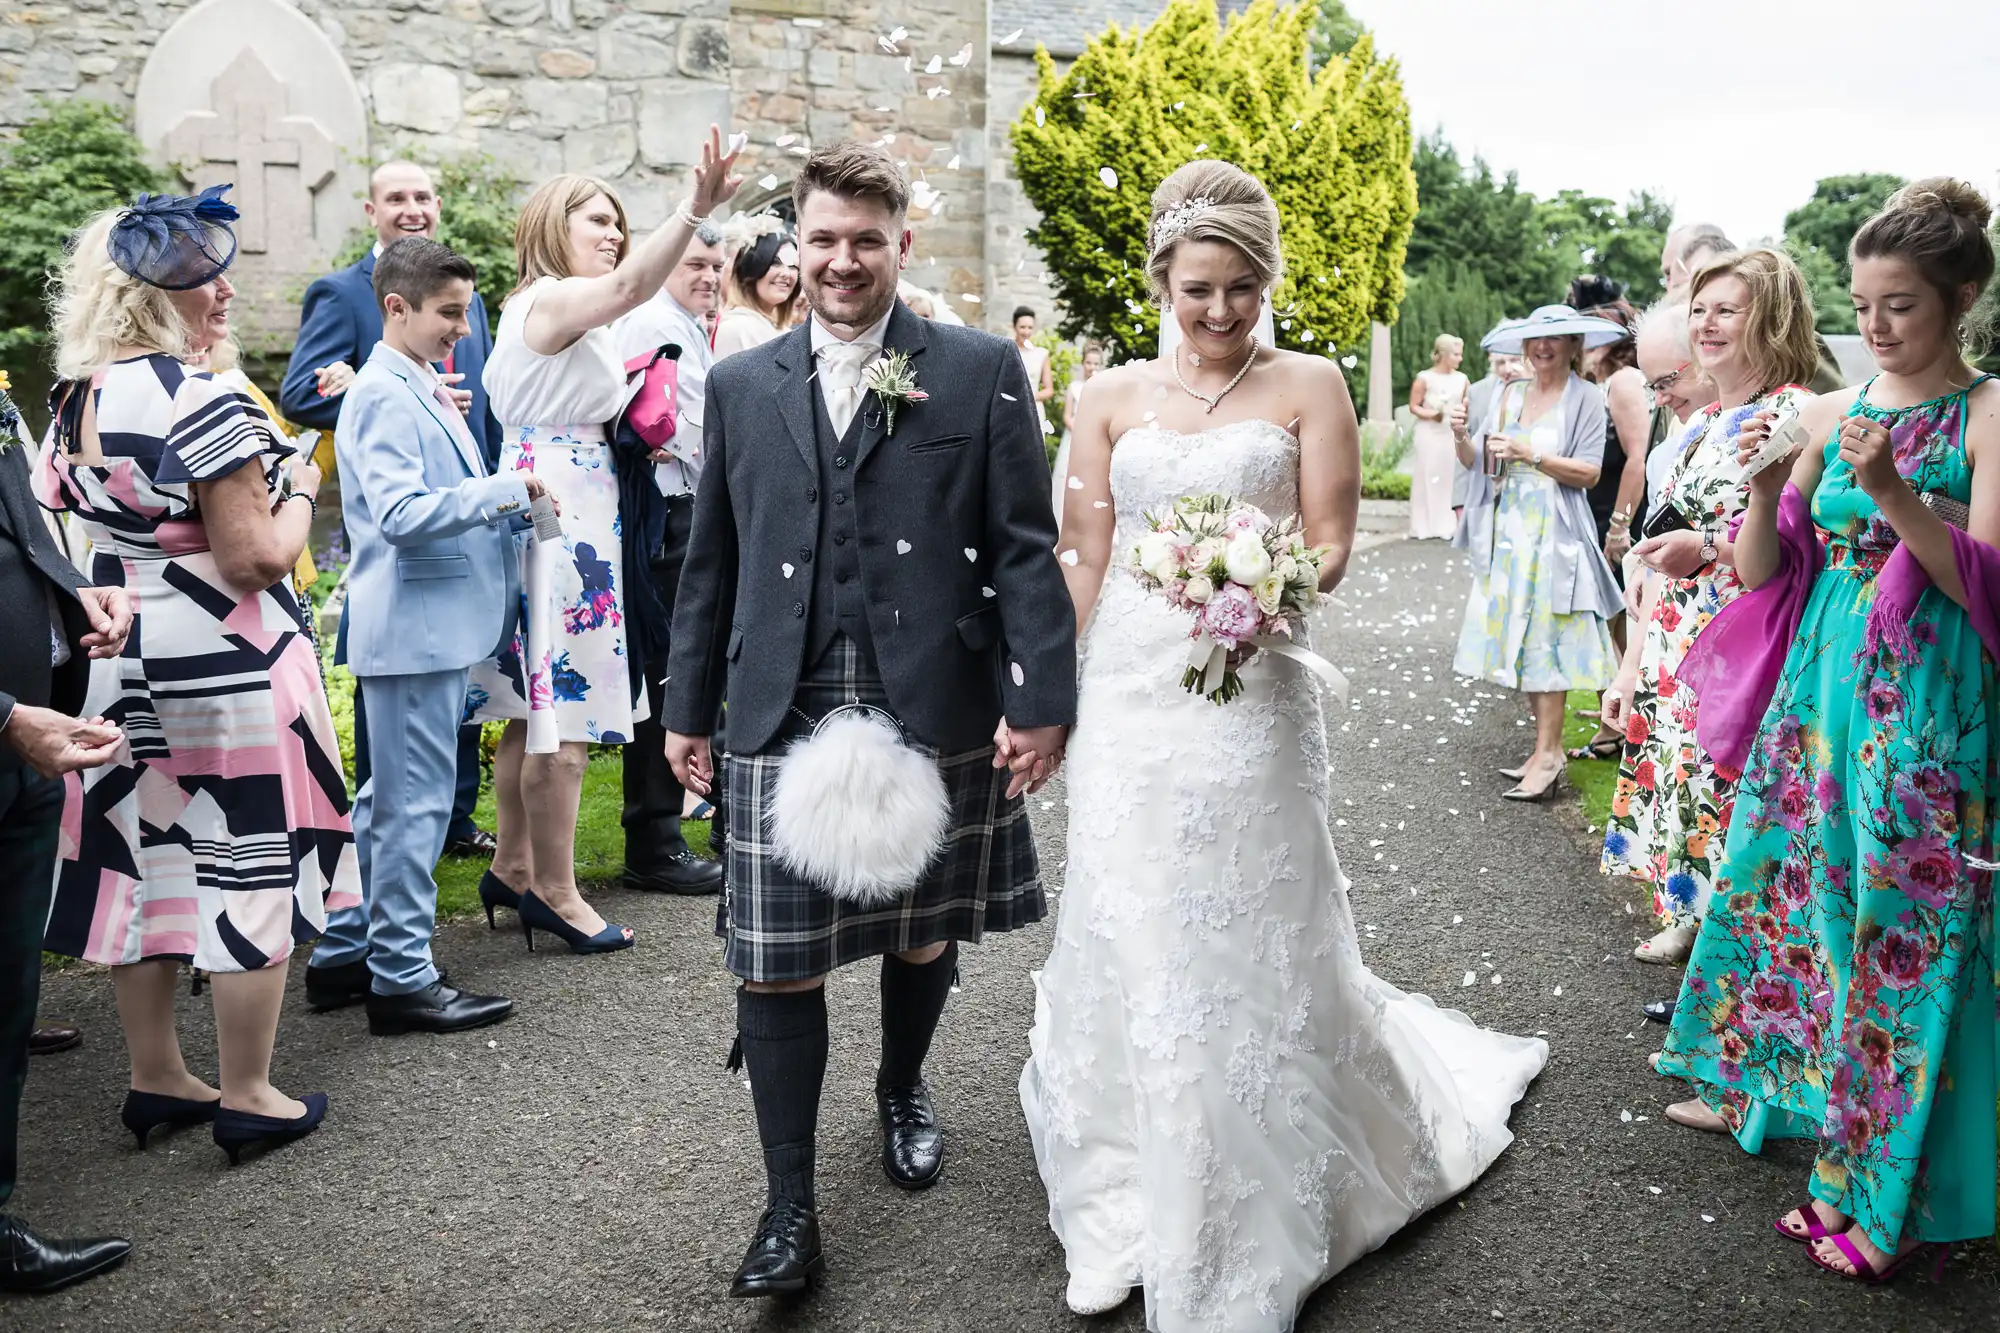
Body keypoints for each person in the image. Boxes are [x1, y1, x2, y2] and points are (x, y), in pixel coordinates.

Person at [1022, 159, 1547, 1327]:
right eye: (1199, 288)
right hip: (1130, 689)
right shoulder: (1105, 397)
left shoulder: (1307, 384)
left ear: (1266, 284)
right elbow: (1083, 552)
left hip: (1253, 685)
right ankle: (1133, 1175)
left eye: (1242, 289)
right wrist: (1046, 689)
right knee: (1134, 905)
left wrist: (1266, 595)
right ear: (1161, 277)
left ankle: (1260, 1180)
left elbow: (1329, 534)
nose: (1219, 312)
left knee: (1256, 907)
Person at [660, 141, 1075, 1301]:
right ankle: (788, 1207)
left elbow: (1024, 550)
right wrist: (685, 706)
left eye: (866, 239)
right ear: (795, 243)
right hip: (776, 703)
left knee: (918, 928)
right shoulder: (740, 384)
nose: (841, 260)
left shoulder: (982, 368)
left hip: (930, 693)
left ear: (902, 242)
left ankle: (903, 1084)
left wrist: (1041, 705)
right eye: (821, 238)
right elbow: (712, 561)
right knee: (775, 961)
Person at [1659, 179, 2000, 1283]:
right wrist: (1763, 490)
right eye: (1860, 300)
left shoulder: (1988, 413)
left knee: (1910, 934)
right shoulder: (1833, 411)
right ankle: (1838, 1157)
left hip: (1923, 701)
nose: (1873, 323)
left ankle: (1890, 1195)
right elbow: (1759, 571)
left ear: (1957, 299)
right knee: (1826, 912)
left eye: (1898, 302)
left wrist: (1896, 496)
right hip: (1821, 690)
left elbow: (1982, 581)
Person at [37, 186, 360, 1165]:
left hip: (119, 649)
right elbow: (254, 556)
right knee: (248, 857)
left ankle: (159, 1076)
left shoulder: (74, 399)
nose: (223, 290)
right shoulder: (204, 396)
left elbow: (75, 530)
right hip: (225, 657)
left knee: (148, 860)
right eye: (198, 277)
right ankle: (251, 1092)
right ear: (146, 290)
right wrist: (302, 486)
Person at [468, 132, 741, 953]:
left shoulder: (540, 309)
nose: (615, 235)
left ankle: (514, 866)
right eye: (599, 220)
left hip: (555, 493)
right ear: (554, 227)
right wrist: (694, 208)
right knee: (565, 717)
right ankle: (556, 889)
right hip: (564, 521)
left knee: (528, 713)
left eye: (620, 222)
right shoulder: (552, 299)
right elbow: (629, 287)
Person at [302, 238, 535, 1034]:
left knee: (386, 804)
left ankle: (344, 951)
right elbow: (399, 515)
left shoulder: (418, 382)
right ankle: (401, 978)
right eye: (449, 313)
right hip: (412, 630)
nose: (463, 329)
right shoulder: (380, 392)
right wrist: (504, 492)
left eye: (466, 312)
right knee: (415, 807)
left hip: (428, 626)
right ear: (395, 308)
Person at [1601, 251, 1818, 977]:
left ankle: (1731, 967)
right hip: (1677, 631)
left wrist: (1709, 549)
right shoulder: (1705, 422)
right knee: (1686, 786)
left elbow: (1797, 550)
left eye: (1728, 308)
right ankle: (1695, 933)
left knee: (1727, 796)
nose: (1707, 322)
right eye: (1700, 309)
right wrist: (1633, 658)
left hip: (1738, 633)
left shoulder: (1790, 413)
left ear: (1774, 318)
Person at [279, 160, 500, 860]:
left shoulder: (461, 293)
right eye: (397, 197)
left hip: (461, 505)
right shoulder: (345, 296)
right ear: (371, 209)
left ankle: (453, 821)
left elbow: (482, 397)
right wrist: (406, 403)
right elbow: (301, 393)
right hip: (407, 522)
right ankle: (395, 923)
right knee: (402, 770)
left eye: (424, 196)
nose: (413, 207)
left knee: (448, 722)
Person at [0, 379, 133, 1294]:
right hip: (11, 728)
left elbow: (21, 525)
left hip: (31, 746)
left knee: (6, 999)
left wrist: (73, 592)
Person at [1451, 305, 1625, 802]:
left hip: (1557, 535)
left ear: (1574, 347)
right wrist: (1461, 435)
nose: (1542, 347)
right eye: (1534, 339)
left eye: (1556, 339)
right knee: (1521, 638)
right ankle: (1540, 748)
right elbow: (1481, 463)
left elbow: (1590, 473)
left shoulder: (1587, 397)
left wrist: (1532, 455)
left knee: (1548, 637)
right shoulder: (1508, 394)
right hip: (1510, 533)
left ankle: (1550, 755)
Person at [610, 219, 729, 896]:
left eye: (717, 266)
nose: (709, 276)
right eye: (696, 264)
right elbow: (641, 419)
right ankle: (652, 838)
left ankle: (673, 823)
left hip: (688, 508)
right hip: (662, 517)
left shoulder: (686, 323)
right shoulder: (647, 322)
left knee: (687, 669)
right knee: (666, 675)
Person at [1566, 287, 1650, 760]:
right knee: (1609, 621)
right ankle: (1613, 715)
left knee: (1616, 621)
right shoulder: (1602, 380)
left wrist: (1620, 525)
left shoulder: (1623, 381)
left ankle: (1619, 727)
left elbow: (1637, 457)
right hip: (1595, 512)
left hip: (1613, 515)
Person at [1667, 221, 1847, 396]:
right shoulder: (1699, 419)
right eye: (1698, 310)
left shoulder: (1797, 407)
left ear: (1770, 321)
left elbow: (1836, 412)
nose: (1703, 324)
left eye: (1725, 311)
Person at [1452, 347, 1525, 521]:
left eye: (1514, 361)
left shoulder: (1542, 393)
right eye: (1500, 363)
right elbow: (1468, 447)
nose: (1507, 369)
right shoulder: (1477, 392)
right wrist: (1459, 500)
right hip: (1487, 490)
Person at [712, 214, 800, 359]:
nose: (786, 273)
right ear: (752, 268)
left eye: (793, 266)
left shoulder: (782, 330)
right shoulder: (737, 328)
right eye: (775, 263)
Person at [1408, 332, 1469, 538]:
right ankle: (1424, 525)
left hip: (1451, 433)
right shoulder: (1424, 378)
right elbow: (1414, 406)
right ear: (1443, 354)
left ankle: (1448, 525)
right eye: (1456, 354)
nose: (1460, 358)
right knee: (1427, 475)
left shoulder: (1463, 380)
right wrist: (1432, 414)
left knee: (1449, 477)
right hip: (1429, 432)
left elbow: (1467, 406)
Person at [1051, 339, 1105, 520]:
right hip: (1074, 436)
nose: (1092, 367)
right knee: (1067, 476)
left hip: (1095, 436)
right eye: (1089, 362)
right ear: (1083, 363)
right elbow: (1067, 416)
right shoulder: (1074, 387)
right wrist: (1079, 429)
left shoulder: (1103, 388)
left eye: (1096, 363)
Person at [1010, 306, 1055, 436]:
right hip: (1009, 408)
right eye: (1022, 327)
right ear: (1014, 327)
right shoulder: (1007, 351)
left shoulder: (1041, 354)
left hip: (1033, 409)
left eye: (1030, 327)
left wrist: (1028, 397)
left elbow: (1049, 390)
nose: (1026, 331)